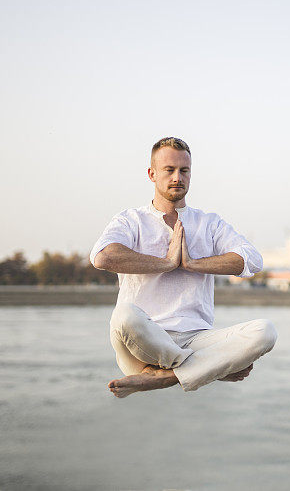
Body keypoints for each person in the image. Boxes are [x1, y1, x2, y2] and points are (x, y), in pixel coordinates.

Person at [90, 137, 278, 398]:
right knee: (124, 314)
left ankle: (167, 377)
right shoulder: (131, 220)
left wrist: (192, 264)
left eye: (184, 170)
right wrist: (167, 263)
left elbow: (251, 259)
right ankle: (207, 369)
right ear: (152, 174)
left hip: (196, 339)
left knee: (265, 332)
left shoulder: (209, 223)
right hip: (140, 342)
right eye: (169, 170)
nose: (177, 177)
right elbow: (102, 256)